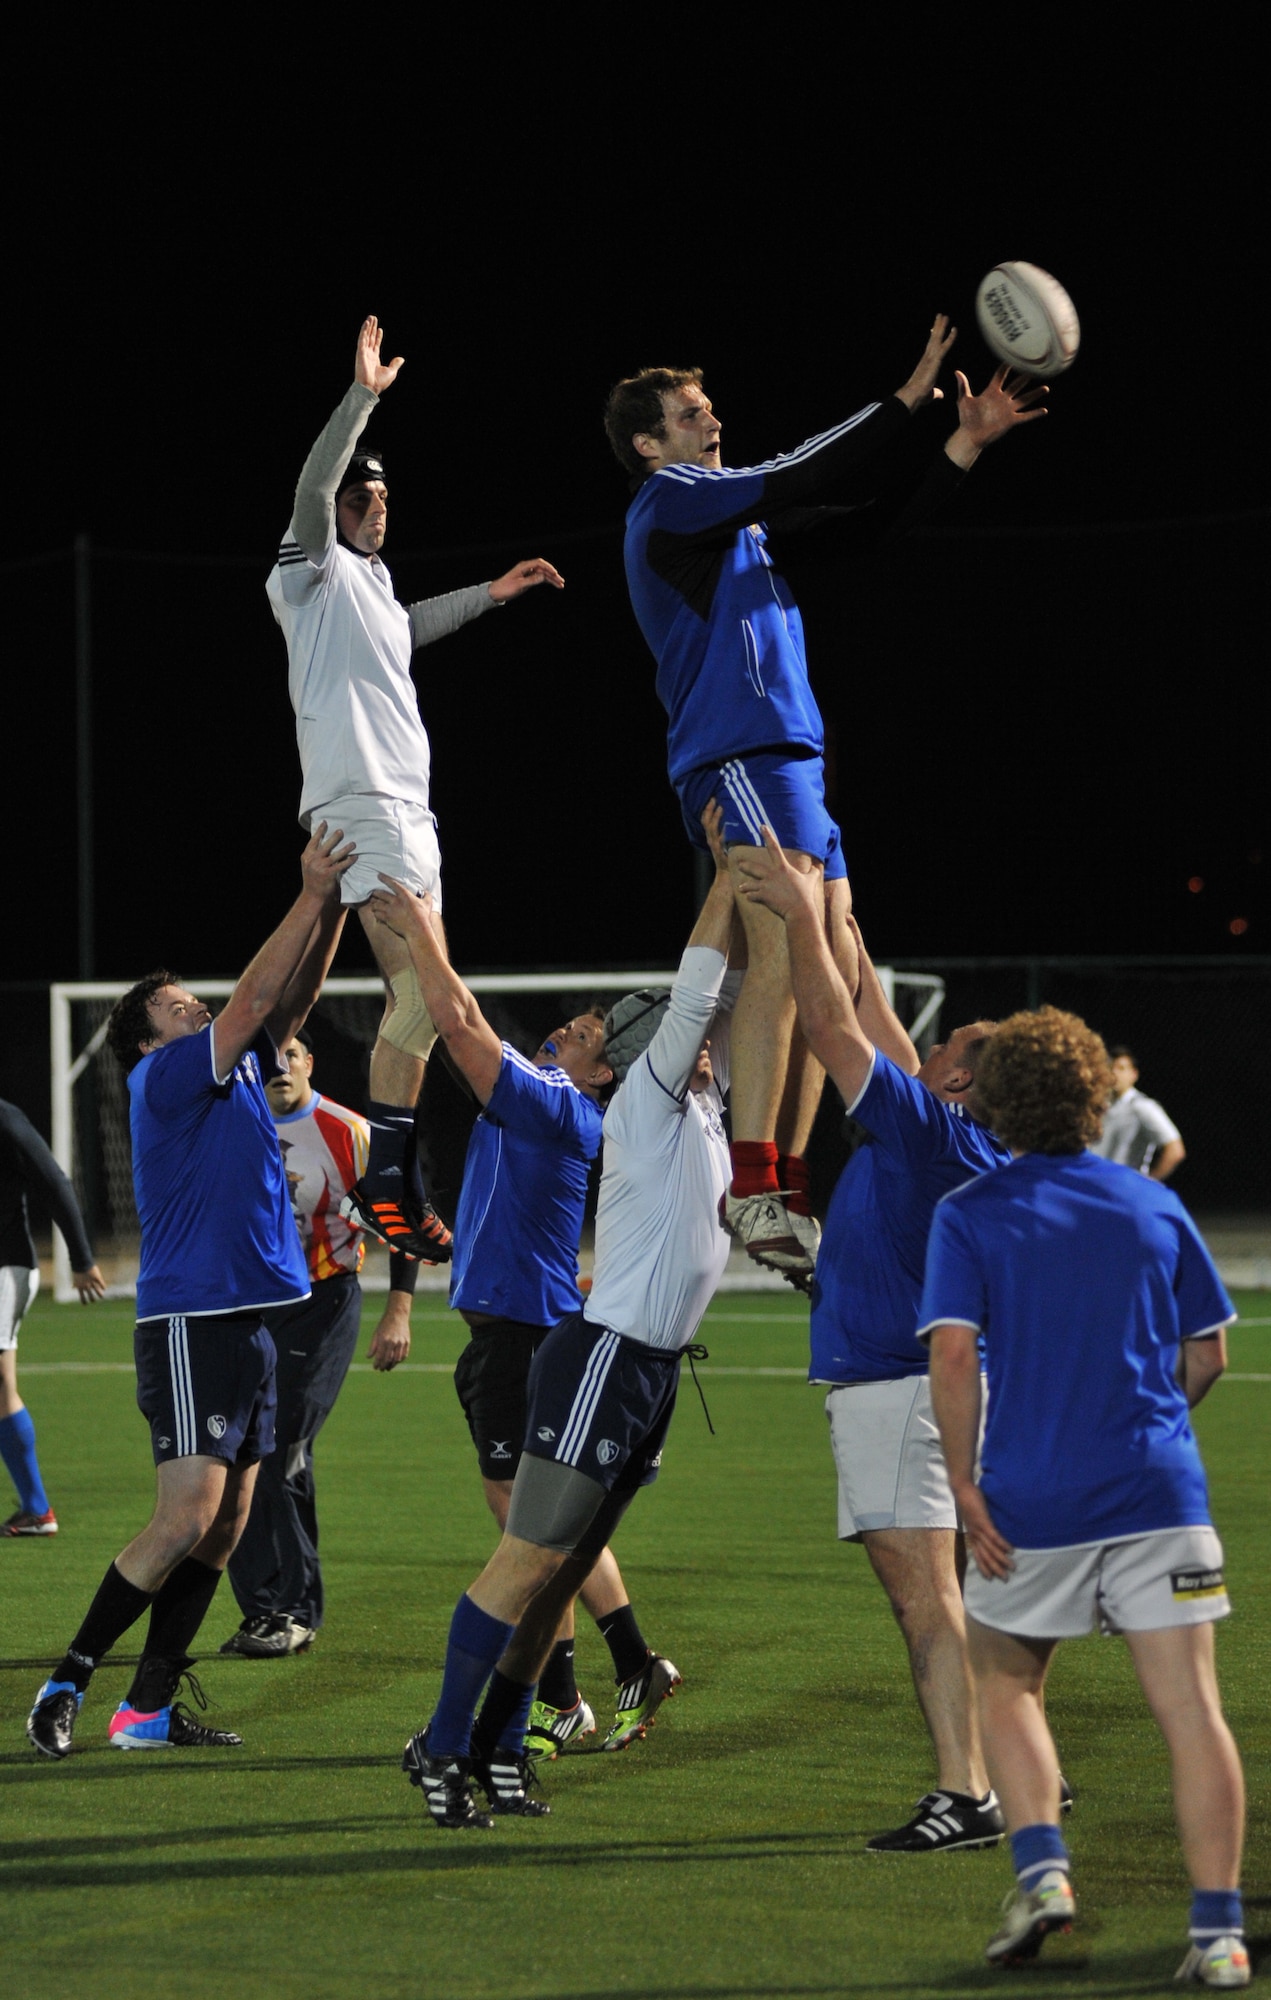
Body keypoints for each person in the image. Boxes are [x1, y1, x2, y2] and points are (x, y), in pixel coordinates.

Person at [605, 326, 1045, 1282]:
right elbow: (803, 472)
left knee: (836, 964)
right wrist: (903, 398)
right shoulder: (669, 502)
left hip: (789, 761)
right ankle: (756, 1176)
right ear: (648, 443)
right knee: (784, 939)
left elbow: (859, 528)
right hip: (739, 753)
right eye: (689, 413)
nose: (710, 419)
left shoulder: (736, 535)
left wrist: (960, 445)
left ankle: (788, 1182)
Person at [398, 805, 741, 1827]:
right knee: (530, 1553)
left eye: (588, 1030)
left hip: (639, 1363)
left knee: (553, 1566)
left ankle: (504, 1740)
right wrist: (730, 865)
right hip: (601, 1352)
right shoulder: (623, 1101)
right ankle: (449, 1742)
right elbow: (700, 978)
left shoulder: (691, 1112)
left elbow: (740, 995)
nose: (565, 1034)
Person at [919, 1008, 1247, 1985]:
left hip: (1032, 1494)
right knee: (1191, 1709)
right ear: (1095, 1095)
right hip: (1158, 1491)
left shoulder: (969, 1209)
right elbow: (1207, 1352)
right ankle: (1219, 1935)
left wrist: (966, 1484)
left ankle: (1044, 1875)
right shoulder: (1151, 1204)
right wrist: (1151, 1430)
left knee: (1006, 1680)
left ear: (993, 1100)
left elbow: (948, 1351)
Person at [26, 824, 352, 1759]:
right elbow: (256, 998)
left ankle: (150, 1712)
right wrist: (307, 886)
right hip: (189, 1319)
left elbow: (289, 998)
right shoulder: (165, 1074)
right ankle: (68, 1682)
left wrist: (329, 905)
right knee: (183, 1519)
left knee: (228, 1525)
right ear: (146, 1037)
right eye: (175, 1004)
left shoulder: (241, 1066)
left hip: (245, 1324)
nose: (193, 1006)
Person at [734, 827, 1011, 1850]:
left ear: (950, 1082)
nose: (920, 1045)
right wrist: (834, 876)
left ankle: (966, 1792)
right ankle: (1024, 1770)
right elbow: (866, 1000)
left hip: (896, 1390)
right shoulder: (963, 1134)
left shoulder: (931, 1129)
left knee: (924, 1602)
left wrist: (801, 919)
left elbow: (826, 1013)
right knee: (969, 1594)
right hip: (940, 1386)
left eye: (942, 1050)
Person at [267, 315, 565, 1262]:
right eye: (362, 494)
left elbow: (406, 627)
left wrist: (492, 593)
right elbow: (314, 483)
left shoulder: (375, 588)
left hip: (407, 811)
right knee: (424, 999)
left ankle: (387, 1177)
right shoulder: (306, 574)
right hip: (362, 805)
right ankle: (385, 1180)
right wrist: (361, 398)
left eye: (383, 493)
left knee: (418, 1003)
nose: (374, 503)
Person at [369, 879, 681, 1758]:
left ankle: (565, 1693)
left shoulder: (566, 1111)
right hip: (509, 1329)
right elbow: (453, 1029)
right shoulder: (539, 1093)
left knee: (529, 1529)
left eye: (584, 1036)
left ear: (605, 1070)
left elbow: (460, 1026)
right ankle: (604, 1676)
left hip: (527, 1334)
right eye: (567, 1027)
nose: (564, 1034)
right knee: (533, 1526)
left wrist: (421, 930)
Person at [220, 1029, 418, 1657]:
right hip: (251, 1309)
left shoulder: (347, 1133)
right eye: (269, 1059)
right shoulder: (233, 1124)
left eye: (293, 1055)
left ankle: (297, 1609)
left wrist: (399, 1311)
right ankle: (261, 1611)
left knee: (281, 1448)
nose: (281, 1066)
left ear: (310, 1063)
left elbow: (403, 1215)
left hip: (323, 1305)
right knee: (234, 1455)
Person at [0, 1101, 106, 1534]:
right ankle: (35, 1509)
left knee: (3, 1387)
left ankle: (38, 1509)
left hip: (3, 1269)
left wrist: (81, 1258)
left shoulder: (4, 1120)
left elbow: (53, 1181)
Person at [1096, 1045, 1186, 1181]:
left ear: (1134, 1074)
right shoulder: (1101, 1107)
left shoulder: (1143, 1107)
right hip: (1098, 1188)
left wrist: (1149, 1182)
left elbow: (1175, 1150)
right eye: (1110, 1067)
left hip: (1125, 1190)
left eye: (1121, 1068)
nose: (1114, 1073)